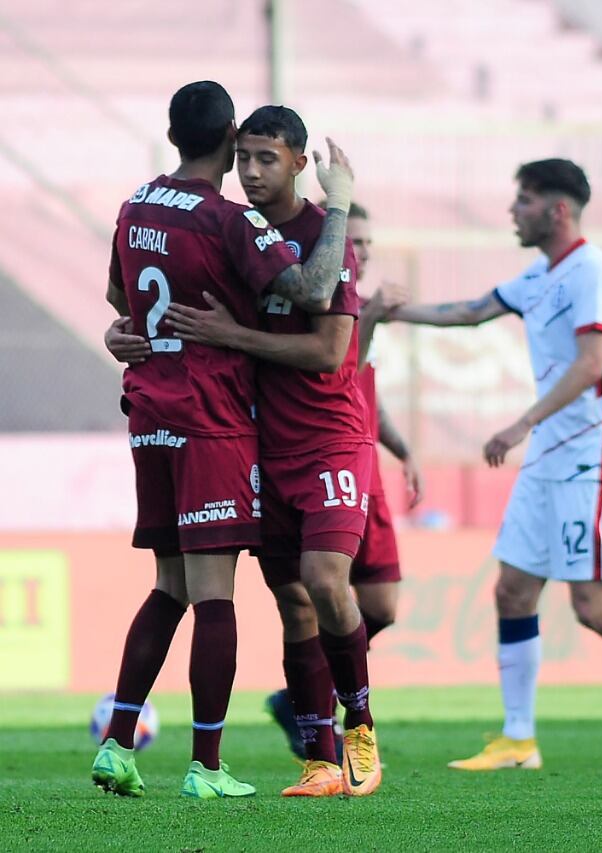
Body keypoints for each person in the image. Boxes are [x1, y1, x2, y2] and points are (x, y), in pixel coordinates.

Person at [384, 158, 602, 771]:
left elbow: (591, 365)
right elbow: (470, 311)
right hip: (548, 458)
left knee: (593, 607)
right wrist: (385, 313)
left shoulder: (594, 273)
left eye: (525, 200)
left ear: (557, 210)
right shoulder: (539, 276)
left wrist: (521, 423)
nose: (513, 210)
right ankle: (518, 739)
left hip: (593, 456)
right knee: (513, 590)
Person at [92, 81, 355, 799]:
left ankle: (117, 745)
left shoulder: (136, 202)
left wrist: (129, 333)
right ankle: (207, 766)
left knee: (168, 586)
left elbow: (122, 299)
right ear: (230, 135)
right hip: (208, 419)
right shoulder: (230, 221)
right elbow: (313, 290)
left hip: (147, 415)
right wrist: (341, 208)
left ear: (172, 132)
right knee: (213, 595)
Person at [162, 106, 382, 797]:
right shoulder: (237, 231)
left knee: (324, 579)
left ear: (297, 162)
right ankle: (319, 759)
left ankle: (362, 724)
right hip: (260, 444)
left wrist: (234, 337)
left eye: (268, 159)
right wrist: (125, 332)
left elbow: (327, 350)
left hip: (331, 438)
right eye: (245, 157)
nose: (252, 172)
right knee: (292, 600)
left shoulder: (324, 235)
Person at [263, 202, 420, 760]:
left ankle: (309, 699)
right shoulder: (320, 298)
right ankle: (328, 722)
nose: (363, 248)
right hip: (322, 452)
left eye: (368, 240)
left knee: (380, 604)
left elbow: (359, 383)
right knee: (316, 591)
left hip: (359, 451)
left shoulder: (353, 296)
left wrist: (401, 447)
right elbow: (338, 364)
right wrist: (371, 316)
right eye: (354, 238)